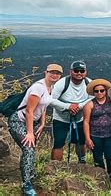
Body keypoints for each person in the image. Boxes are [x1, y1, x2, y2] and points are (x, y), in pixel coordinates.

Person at [8, 63, 63, 195]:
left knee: (30, 150)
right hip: (19, 120)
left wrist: (43, 122)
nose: (54, 75)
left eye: (57, 73)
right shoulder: (38, 88)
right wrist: (30, 132)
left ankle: (30, 175)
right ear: (46, 72)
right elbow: (29, 111)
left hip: (33, 122)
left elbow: (44, 105)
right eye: (52, 72)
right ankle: (26, 185)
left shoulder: (51, 87)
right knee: (29, 148)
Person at [49, 60, 92, 163]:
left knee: (80, 142)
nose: (79, 73)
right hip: (60, 119)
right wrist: (68, 106)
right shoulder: (62, 83)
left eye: (82, 71)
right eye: (76, 70)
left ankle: (81, 161)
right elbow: (50, 100)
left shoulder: (89, 83)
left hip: (80, 119)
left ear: (85, 72)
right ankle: (55, 166)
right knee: (59, 142)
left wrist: (79, 106)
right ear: (71, 71)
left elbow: (93, 98)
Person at [83, 79, 111, 182]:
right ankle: (101, 177)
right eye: (96, 91)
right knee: (97, 157)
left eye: (102, 90)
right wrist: (88, 138)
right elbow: (86, 122)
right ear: (93, 93)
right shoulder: (89, 104)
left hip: (110, 135)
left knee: (110, 157)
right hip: (95, 135)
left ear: (106, 91)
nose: (99, 93)